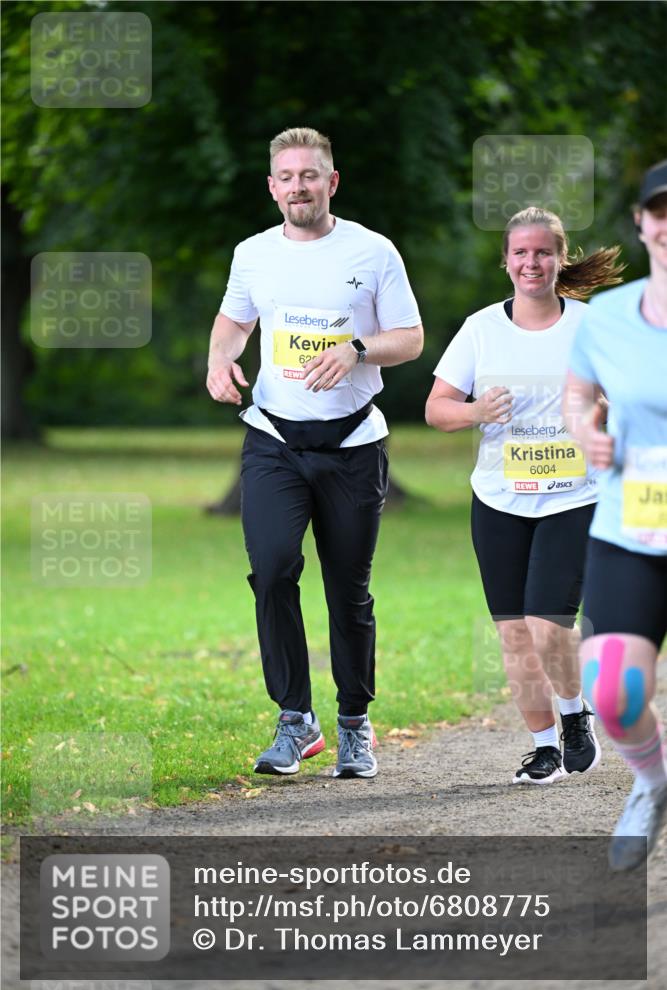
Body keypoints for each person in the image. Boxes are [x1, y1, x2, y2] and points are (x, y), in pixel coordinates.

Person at [206, 127, 423, 780]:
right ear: (272, 188)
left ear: (332, 182)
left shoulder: (373, 251)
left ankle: (355, 724)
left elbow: (409, 338)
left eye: (310, 175)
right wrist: (219, 357)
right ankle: (294, 719)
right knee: (271, 571)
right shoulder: (252, 254)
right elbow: (235, 320)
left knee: (346, 591)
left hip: (353, 444)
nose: (298, 186)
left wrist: (355, 349)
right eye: (286, 176)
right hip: (273, 440)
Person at [426, 206, 624, 785]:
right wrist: (475, 411)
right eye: (520, 253)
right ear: (506, 261)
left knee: (546, 625)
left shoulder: (591, 326)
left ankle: (573, 714)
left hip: (572, 496)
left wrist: (603, 411)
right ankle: (543, 747)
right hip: (498, 500)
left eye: (542, 252)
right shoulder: (481, 328)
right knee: (513, 631)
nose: (531, 262)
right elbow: (437, 409)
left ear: (560, 260)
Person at [564, 160, 667, 869]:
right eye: (660, 211)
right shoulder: (604, 316)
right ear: (640, 221)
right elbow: (576, 395)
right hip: (631, 524)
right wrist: (584, 430)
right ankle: (652, 782)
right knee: (611, 689)